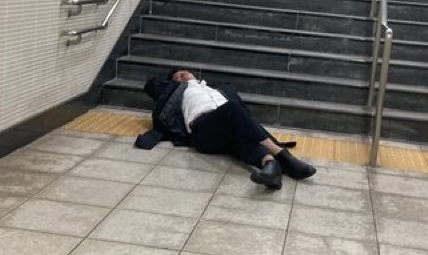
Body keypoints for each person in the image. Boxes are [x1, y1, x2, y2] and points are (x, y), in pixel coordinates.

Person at [134, 68, 316, 190]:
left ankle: (271, 167)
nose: (181, 77)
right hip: (203, 131)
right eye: (177, 77)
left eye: (184, 73)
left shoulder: (215, 88)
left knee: (242, 140)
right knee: (232, 109)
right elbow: (151, 85)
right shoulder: (176, 91)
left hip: (226, 129)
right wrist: (172, 82)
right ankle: (283, 155)